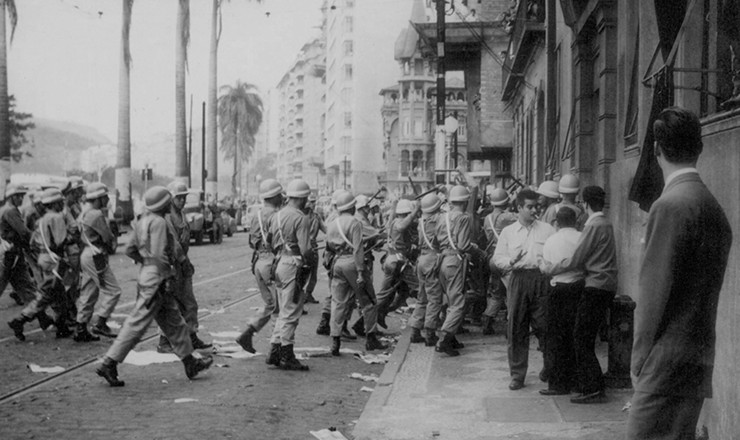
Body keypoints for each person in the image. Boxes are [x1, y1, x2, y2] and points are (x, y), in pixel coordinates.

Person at [626, 107, 731, 438]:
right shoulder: (710, 205)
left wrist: (638, 360)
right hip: (696, 358)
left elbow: (653, 296)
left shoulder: (670, 205)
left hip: (664, 362)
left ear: (657, 150)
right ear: (699, 149)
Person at [96, 186, 213, 387]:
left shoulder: (142, 221)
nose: (171, 203)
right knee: (137, 324)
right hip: (158, 278)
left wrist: (146, 262)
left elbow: (130, 249)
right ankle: (109, 362)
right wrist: (162, 275)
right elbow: (160, 253)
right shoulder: (159, 222)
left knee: (175, 322)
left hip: (148, 274)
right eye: (168, 200)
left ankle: (190, 362)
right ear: (163, 204)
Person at [493, 188, 555, 390]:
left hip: (541, 279)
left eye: (536, 206)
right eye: (529, 207)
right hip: (518, 279)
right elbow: (497, 259)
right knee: (516, 327)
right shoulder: (508, 232)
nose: (534, 210)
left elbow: (554, 254)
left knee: (545, 326)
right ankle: (517, 375)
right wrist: (511, 260)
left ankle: (549, 367)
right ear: (519, 208)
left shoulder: (547, 230)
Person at [325, 191, 386, 355]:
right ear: (352, 207)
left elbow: (328, 248)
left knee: (338, 302)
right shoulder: (354, 223)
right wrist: (360, 272)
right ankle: (371, 338)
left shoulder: (332, 223)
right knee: (369, 301)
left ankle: (335, 341)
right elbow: (358, 249)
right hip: (352, 263)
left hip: (337, 263)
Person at [7, 188, 71, 340]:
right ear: (54, 203)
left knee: (59, 295)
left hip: (43, 258)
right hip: (54, 260)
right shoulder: (56, 218)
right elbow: (61, 241)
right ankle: (20, 319)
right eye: (60, 201)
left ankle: (62, 327)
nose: (62, 203)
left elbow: (32, 243)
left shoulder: (40, 220)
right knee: (46, 296)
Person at [157, 181, 211, 353]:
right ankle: (164, 341)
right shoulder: (167, 218)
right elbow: (173, 243)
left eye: (184, 198)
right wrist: (183, 261)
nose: (182, 201)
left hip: (182, 264)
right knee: (170, 304)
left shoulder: (182, 215)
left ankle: (191, 335)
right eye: (179, 198)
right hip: (173, 265)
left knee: (189, 303)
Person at [265, 179, 312, 371]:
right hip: (293, 264)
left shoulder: (276, 216)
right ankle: (286, 354)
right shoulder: (301, 218)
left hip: (278, 263)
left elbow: (268, 242)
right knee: (291, 311)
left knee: (282, 310)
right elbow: (306, 248)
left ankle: (274, 351)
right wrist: (308, 259)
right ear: (302, 199)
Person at [537, 207, 583, 395]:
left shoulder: (551, 240)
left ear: (557, 222)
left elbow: (546, 267)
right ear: (575, 221)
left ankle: (557, 383)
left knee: (555, 337)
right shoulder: (582, 237)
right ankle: (576, 381)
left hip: (558, 290)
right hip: (579, 288)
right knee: (575, 335)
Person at [433, 185, 483, 356]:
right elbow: (463, 245)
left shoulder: (441, 217)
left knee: (451, 298)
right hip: (456, 261)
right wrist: (477, 249)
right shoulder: (463, 218)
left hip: (442, 260)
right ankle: (445, 339)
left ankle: (452, 336)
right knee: (458, 302)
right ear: (466, 200)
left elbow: (434, 241)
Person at [235, 179, 283, 354]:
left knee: (271, 305)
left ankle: (248, 333)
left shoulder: (256, 216)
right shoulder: (277, 216)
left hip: (259, 263)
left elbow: (251, 242)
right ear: (276, 196)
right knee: (281, 308)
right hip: (272, 262)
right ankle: (277, 348)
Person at [74, 183, 121, 342]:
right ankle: (101, 323)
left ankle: (81, 327)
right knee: (113, 290)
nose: (107, 199)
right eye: (105, 197)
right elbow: (107, 237)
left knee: (89, 291)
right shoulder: (96, 214)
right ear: (98, 198)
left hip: (87, 253)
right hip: (96, 254)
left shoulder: (84, 213)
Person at [377, 198, 420, 328]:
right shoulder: (399, 223)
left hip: (393, 261)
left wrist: (395, 206)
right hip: (398, 262)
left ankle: (381, 313)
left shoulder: (393, 221)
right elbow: (402, 227)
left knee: (401, 294)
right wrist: (416, 210)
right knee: (420, 288)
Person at [481, 188, 518, 335]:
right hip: (505, 258)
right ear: (506, 201)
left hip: (492, 258)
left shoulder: (487, 218)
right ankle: (511, 326)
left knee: (496, 293)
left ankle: (487, 321)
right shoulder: (507, 217)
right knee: (512, 292)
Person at [0, 184, 42, 309]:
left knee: (28, 288)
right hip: (10, 256)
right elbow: (23, 232)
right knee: (26, 287)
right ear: (12, 197)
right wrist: (37, 242)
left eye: (22, 196)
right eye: (19, 196)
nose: (21, 199)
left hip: (12, 255)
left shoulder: (4, 209)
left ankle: (43, 318)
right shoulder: (11, 210)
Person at [414, 193, 443, 346]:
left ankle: (415, 329)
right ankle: (430, 333)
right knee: (435, 299)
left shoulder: (421, 221)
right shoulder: (437, 220)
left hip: (422, 259)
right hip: (432, 258)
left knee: (422, 297)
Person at [303, 194, 325, 304]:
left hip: (313, 247)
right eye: (310, 202)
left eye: (314, 202)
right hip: (302, 247)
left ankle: (308, 293)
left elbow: (325, 229)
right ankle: (300, 296)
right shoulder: (299, 216)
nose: (313, 204)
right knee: (302, 273)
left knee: (313, 272)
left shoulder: (317, 217)